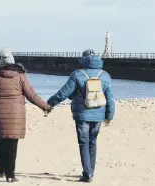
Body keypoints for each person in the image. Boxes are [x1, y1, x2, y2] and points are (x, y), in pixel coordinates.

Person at [0, 46, 52, 183]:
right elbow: (32, 95)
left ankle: (2, 170)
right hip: (16, 116)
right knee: (12, 145)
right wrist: (45, 106)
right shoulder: (20, 76)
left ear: (1, 63)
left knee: (2, 142)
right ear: (13, 61)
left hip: (0, 115)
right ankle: (10, 175)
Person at [47, 49, 115, 183]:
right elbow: (110, 98)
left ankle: (87, 173)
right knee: (93, 142)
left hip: (82, 115)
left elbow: (64, 93)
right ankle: (91, 172)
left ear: (83, 60)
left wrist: (50, 103)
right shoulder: (105, 75)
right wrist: (109, 115)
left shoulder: (77, 74)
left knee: (83, 142)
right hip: (98, 115)